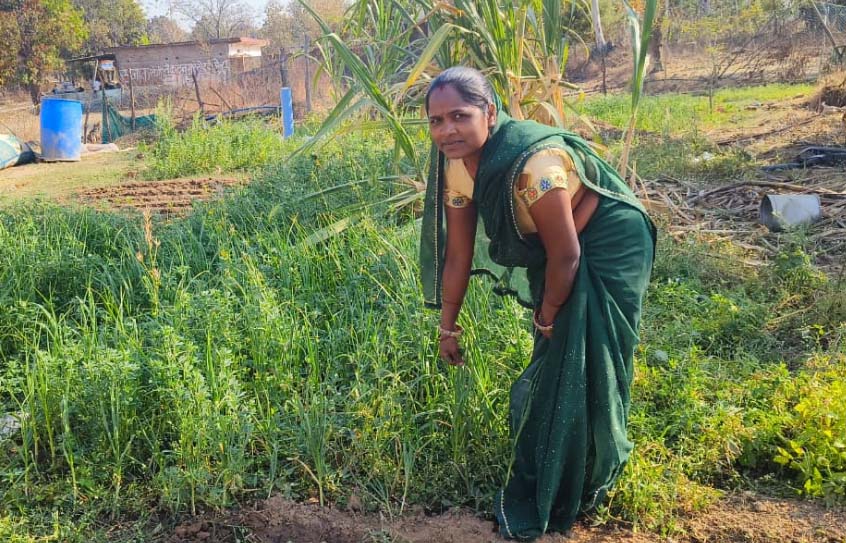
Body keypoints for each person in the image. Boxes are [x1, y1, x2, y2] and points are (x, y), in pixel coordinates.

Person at [419, 66, 656, 540]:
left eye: (460, 116)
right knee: (559, 356)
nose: (447, 131)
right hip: (564, 245)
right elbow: (458, 255)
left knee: (590, 350)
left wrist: (546, 314)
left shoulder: (535, 166)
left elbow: (566, 255)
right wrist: (447, 327)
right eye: (436, 121)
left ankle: (593, 469)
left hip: (611, 239)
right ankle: (565, 457)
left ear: (490, 113)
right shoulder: (457, 169)